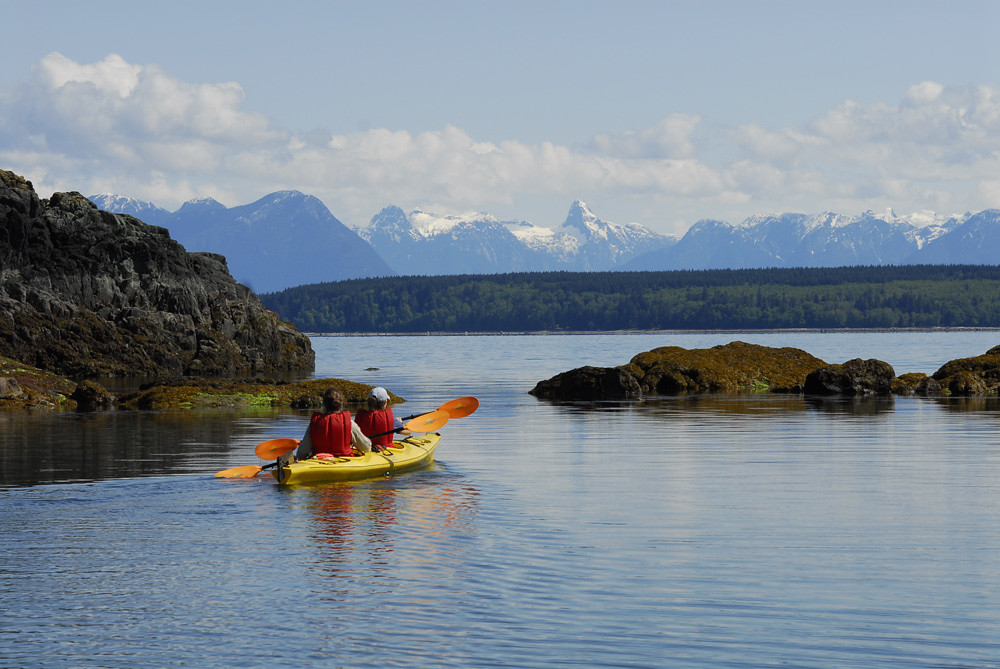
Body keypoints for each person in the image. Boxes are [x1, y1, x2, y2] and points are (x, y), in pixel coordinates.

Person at [294, 388, 372, 460]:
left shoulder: (315, 423)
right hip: (344, 462)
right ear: (341, 404)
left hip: (319, 462)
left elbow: (302, 453)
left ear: (324, 404)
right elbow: (366, 447)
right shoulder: (349, 423)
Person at [355, 386, 407, 452]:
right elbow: (407, 432)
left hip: (363, 449)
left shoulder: (362, 417)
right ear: (385, 402)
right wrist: (400, 423)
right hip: (383, 450)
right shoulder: (390, 420)